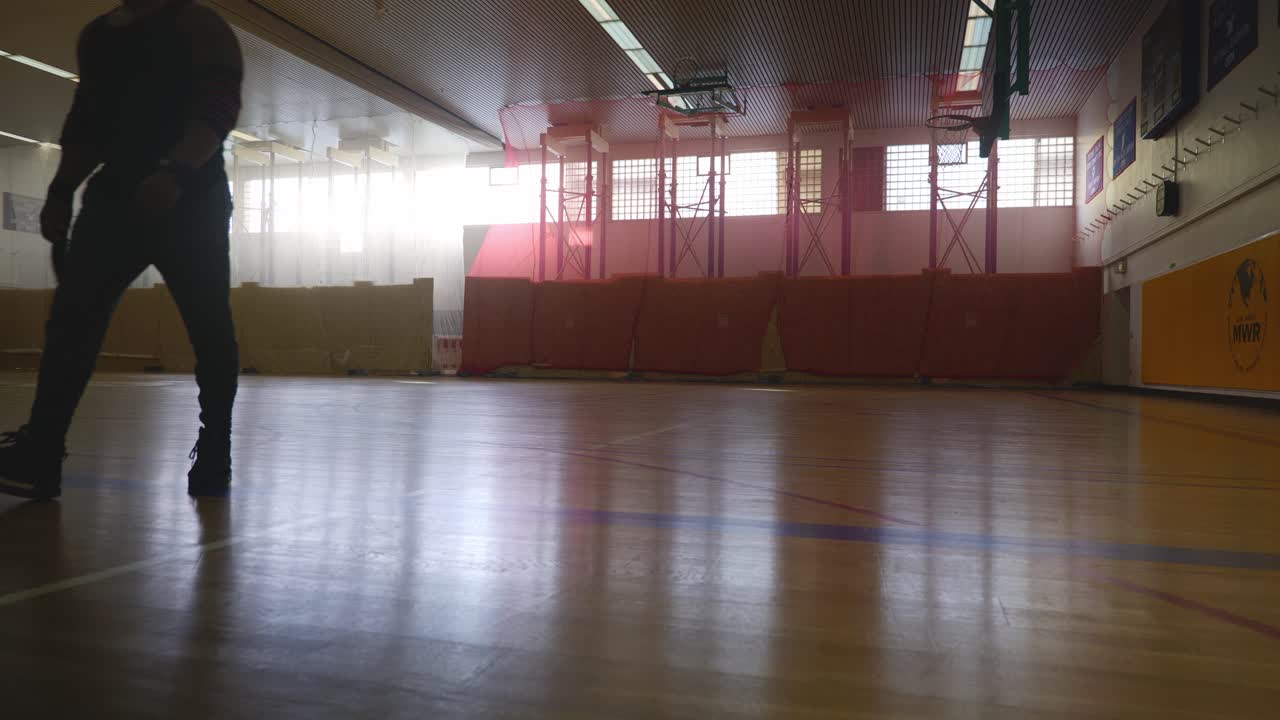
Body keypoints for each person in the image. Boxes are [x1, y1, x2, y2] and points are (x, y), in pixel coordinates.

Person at [0, 0, 244, 500]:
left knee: (209, 326)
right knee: (71, 322)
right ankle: (41, 452)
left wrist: (175, 171)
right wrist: (61, 189)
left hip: (192, 198)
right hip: (114, 199)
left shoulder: (201, 25)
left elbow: (218, 110)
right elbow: (88, 119)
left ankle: (215, 448)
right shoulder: (98, 35)